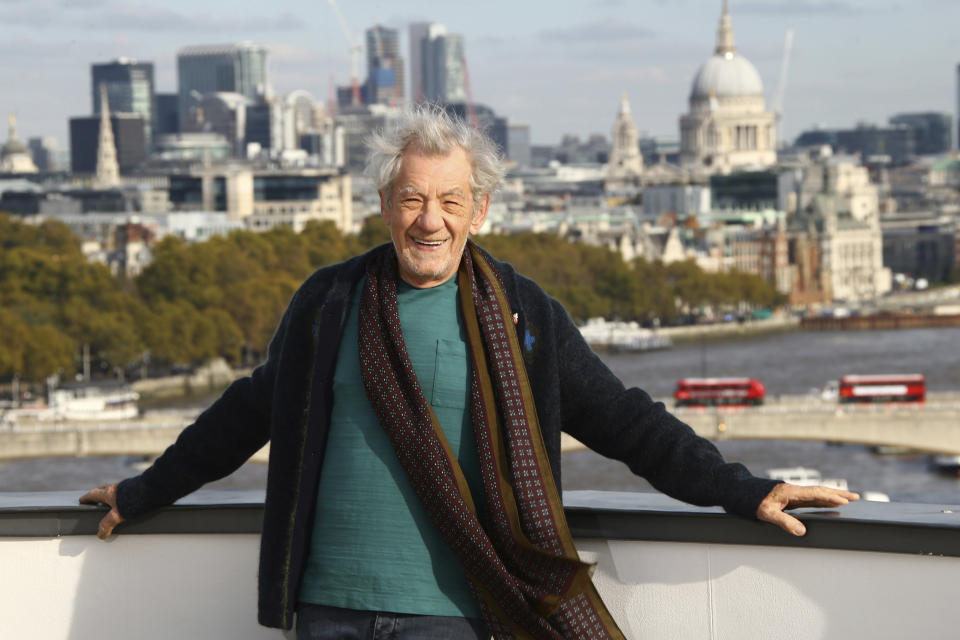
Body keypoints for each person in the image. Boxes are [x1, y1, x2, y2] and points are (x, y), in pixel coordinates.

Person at [81, 106, 858, 640]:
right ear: (384, 204)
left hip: (454, 615)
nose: (430, 219)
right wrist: (145, 490)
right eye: (413, 198)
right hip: (325, 609)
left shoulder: (521, 313)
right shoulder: (329, 301)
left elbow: (624, 420)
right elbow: (246, 414)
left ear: (479, 209)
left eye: (450, 200)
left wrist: (745, 488)